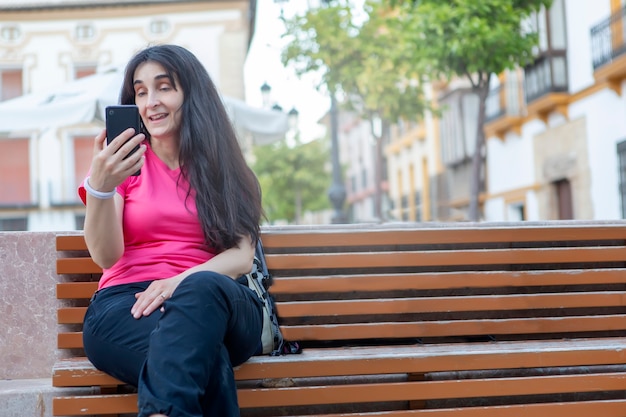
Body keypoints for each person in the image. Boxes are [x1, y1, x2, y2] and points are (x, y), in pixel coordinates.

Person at [78, 44, 264, 417]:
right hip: (127, 306)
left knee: (200, 293)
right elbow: (106, 256)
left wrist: (176, 283)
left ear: (191, 93)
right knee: (205, 358)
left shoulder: (227, 170)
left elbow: (242, 257)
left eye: (164, 87)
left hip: (219, 300)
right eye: (141, 92)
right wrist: (101, 186)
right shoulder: (121, 169)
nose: (151, 102)